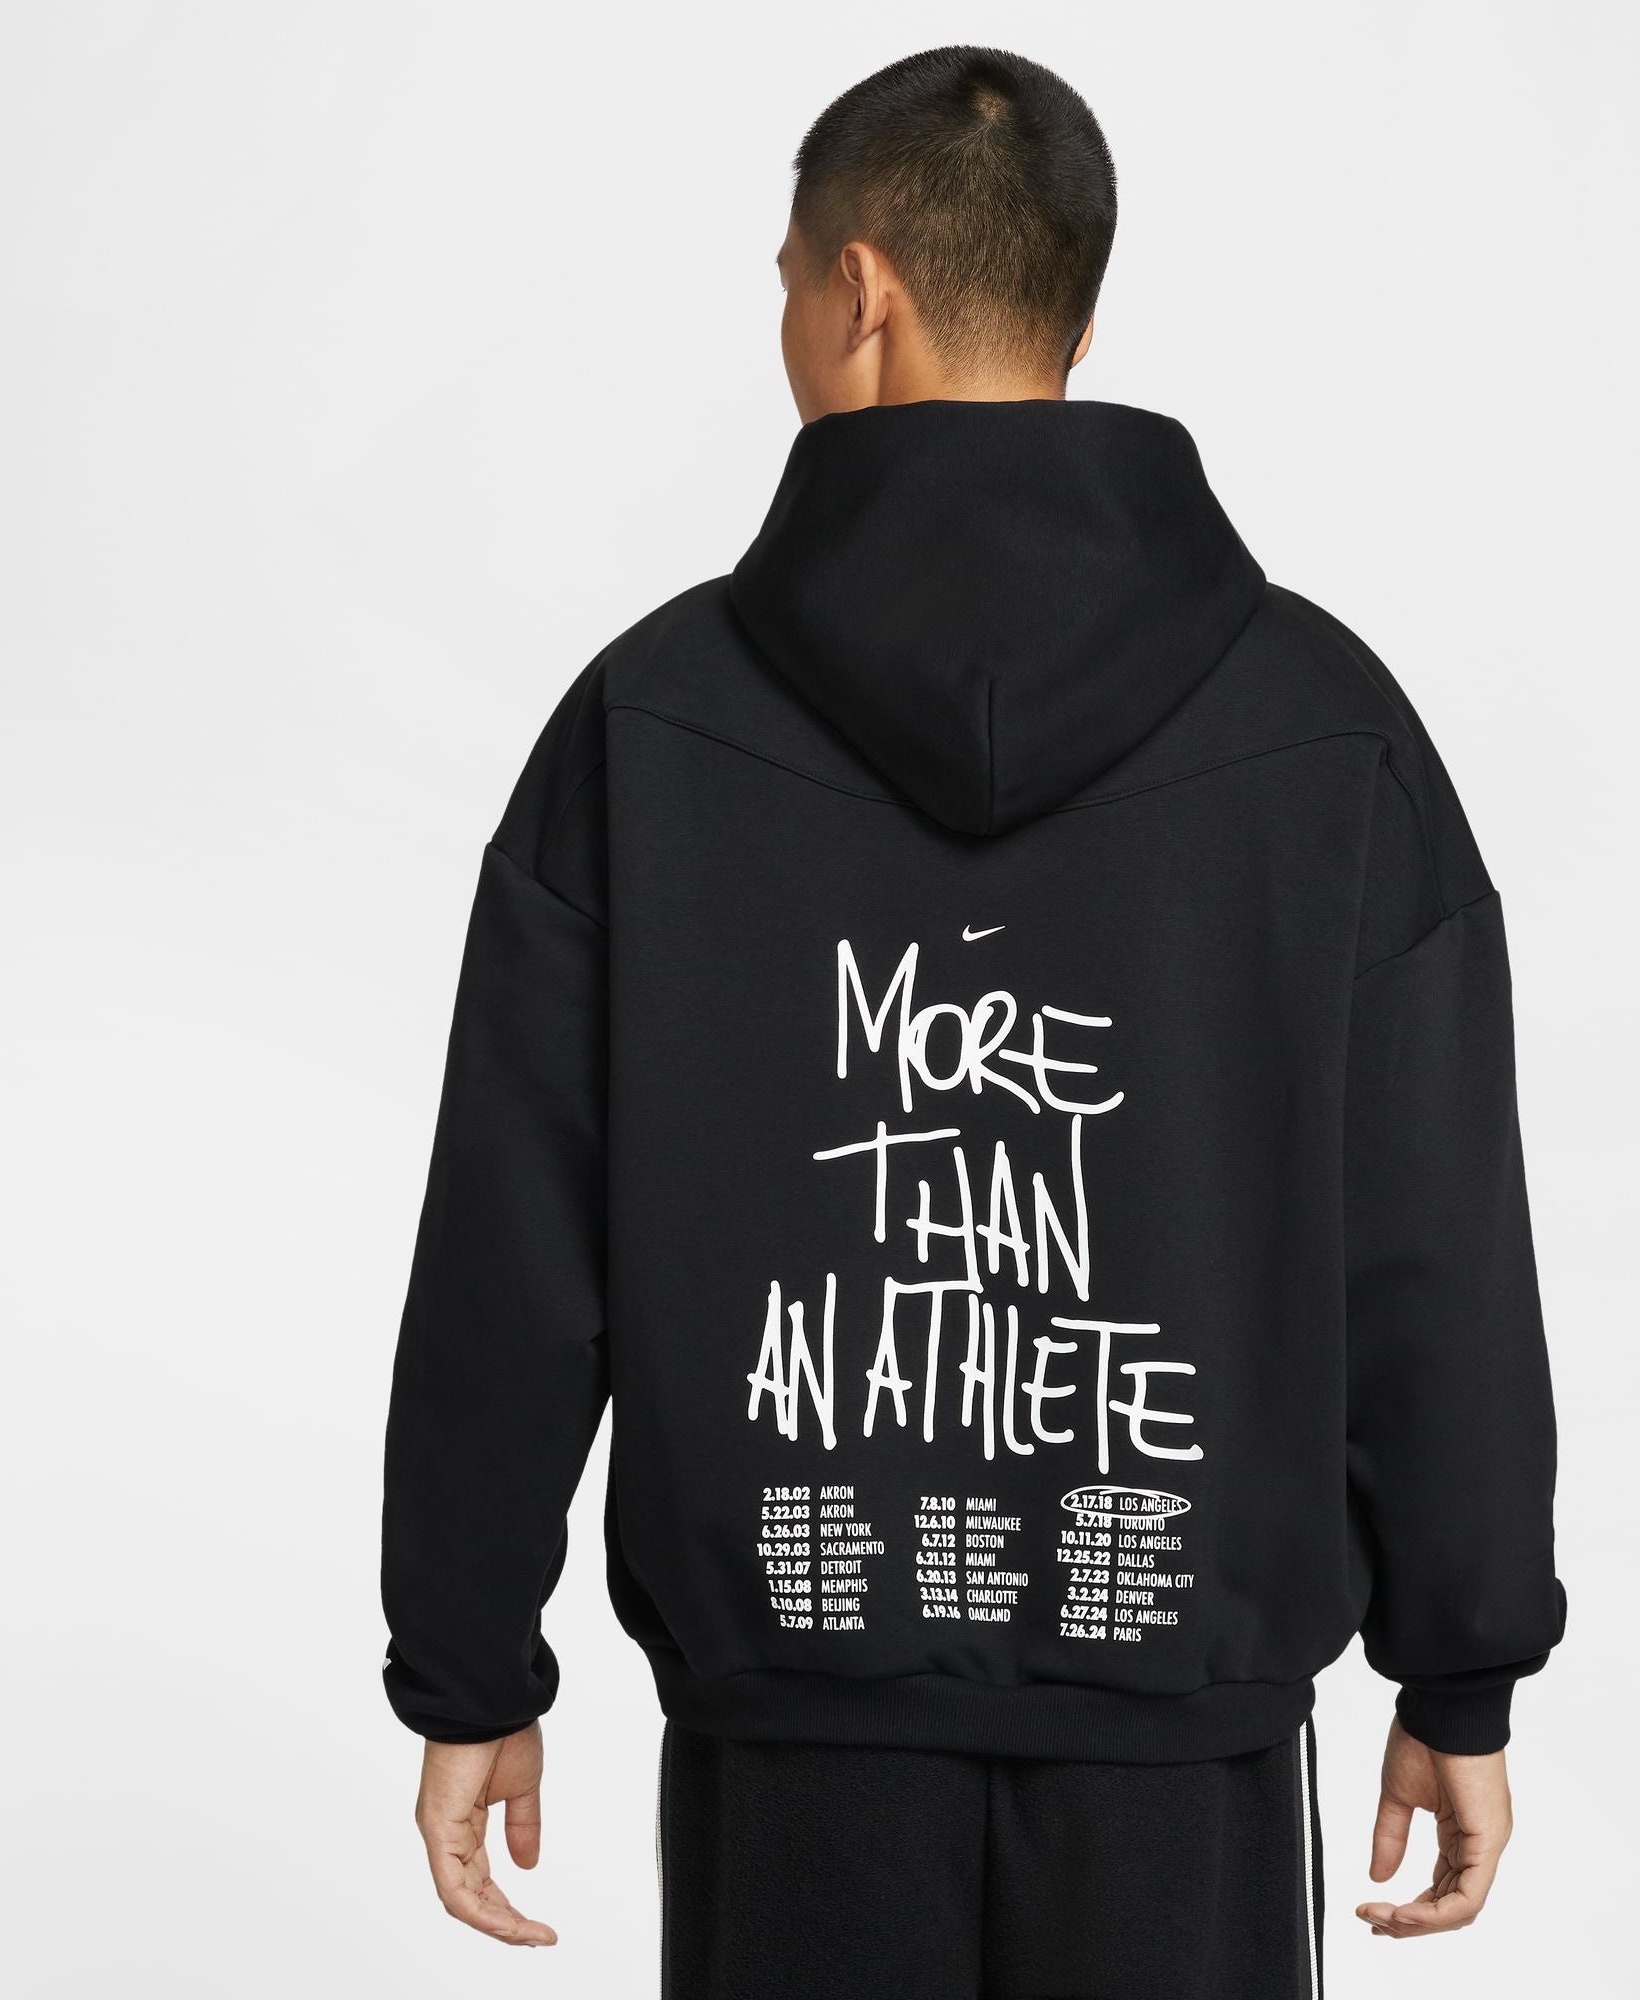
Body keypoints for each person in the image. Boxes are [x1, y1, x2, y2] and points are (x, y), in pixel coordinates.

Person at [382, 44, 1563, 1998]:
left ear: (860, 288)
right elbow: (1430, 1239)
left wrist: (470, 1663)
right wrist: (1463, 1665)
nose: (784, 318)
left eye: (785, 278)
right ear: (1074, 313)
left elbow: (518, 1240)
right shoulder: (1326, 728)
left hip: (790, 1741)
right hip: (1184, 1746)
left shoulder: (650, 722)